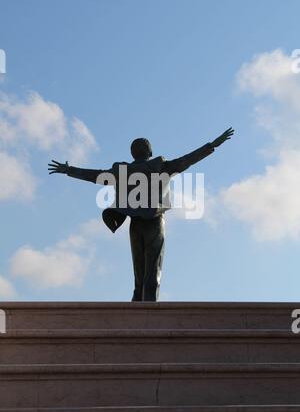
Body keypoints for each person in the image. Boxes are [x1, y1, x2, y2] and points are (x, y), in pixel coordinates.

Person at [48, 127, 234, 301]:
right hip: (154, 221)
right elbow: (187, 160)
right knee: (153, 268)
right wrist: (212, 145)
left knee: (139, 269)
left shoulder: (122, 171)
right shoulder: (160, 166)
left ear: (132, 154)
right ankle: (149, 310)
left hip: (135, 224)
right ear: (150, 153)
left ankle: (137, 306)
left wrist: (69, 170)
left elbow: (95, 176)